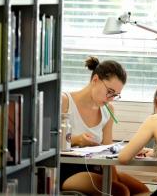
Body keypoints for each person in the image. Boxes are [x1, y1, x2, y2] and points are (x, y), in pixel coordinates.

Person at [60, 56, 150, 196]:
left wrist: (130, 150)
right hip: (67, 170)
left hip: (97, 168)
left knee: (143, 191)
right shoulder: (65, 102)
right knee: (121, 191)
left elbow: (108, 148)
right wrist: (77, 140)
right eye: (110, 92)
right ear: (95, 80)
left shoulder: (108, 110)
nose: (111, 98)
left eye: (116, 95)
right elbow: (46, 144)